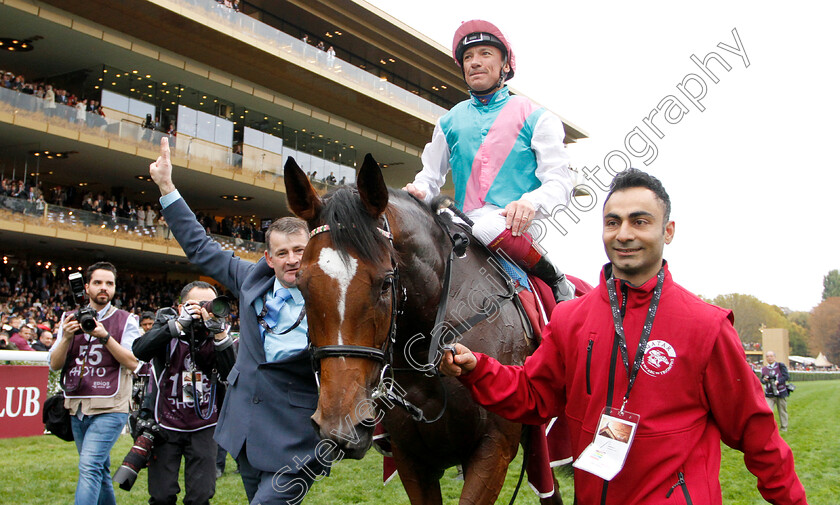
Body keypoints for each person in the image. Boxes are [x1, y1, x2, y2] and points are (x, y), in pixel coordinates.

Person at [440, 169, 807, 504]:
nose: (624, 233)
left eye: (640, 221)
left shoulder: (706, 325)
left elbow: (757, 434)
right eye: (612, 222)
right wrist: (477, 369)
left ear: (668, 231)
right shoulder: (570, 318)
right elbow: (535, 395)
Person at [149, 137, 326, 504]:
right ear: (269, 257)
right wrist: (166, 187)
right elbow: (201, 247)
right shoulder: (251, 280)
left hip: (297, 437)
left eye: (299, 250)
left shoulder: (330, 299)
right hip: (244, 430)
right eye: (283, 252)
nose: (293, 259)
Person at [403, 19, 575, 303]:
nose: (474, 63)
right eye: (468, 57)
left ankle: (555, 278)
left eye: (485, 54)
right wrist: (419, 191)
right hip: (465, 223)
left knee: (488, 227)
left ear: (505, 65)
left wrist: (530, 203)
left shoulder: (536, 116)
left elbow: (560, 181)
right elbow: (430, 176)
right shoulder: (449, 121)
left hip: (517, 227)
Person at [132, 281, 236, 505]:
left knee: (200, 496)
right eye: (195, 304)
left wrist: (218, 334)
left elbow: (232, 375)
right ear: (180, 307)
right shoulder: (168, 329)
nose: (202, 310)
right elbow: (140, 350)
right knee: (161, 496)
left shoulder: (219, 335)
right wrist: (177, 326)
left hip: (205, 425)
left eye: (208, 305)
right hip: (165, 423)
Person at [49, 261, 141, 505]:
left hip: (111, 406)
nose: (104, 288)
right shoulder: (69, 318)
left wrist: (105, 336)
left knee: (89, 466)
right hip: (76, 406)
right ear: (86, 287)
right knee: (99, 470)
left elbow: (133, 362)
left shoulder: (126, 319)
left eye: (109, 283)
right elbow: (54, 364)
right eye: (98, 283)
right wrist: (67, 337)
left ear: (114, 288)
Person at [762, 350, 791, 431]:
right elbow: (762, 380)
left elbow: (786, 376)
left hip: (780, 392)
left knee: (782, 410)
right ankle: (769, 427)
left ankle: (784, 427)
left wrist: (778, 381)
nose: (769, 358)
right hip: (769, 393)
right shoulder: (764, 369)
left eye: (771, 356)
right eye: (767, 356)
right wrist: (764, 380)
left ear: (774, 357)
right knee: (768, 411)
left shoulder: (780, 366)